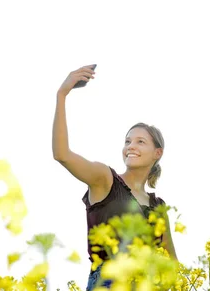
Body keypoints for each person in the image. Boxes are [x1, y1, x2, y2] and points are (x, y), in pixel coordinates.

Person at [52, 65, 178, 290]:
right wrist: (61, 95)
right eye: (128, 141)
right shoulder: (105, 179)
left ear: (157, 153)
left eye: (140, 142)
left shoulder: (159, 208)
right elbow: (62, 155)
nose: (131, 146)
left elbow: (172, 265)